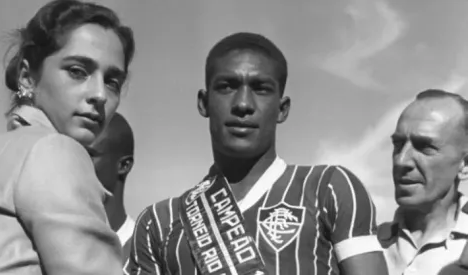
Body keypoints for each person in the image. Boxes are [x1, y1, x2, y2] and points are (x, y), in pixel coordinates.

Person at [125, 32, 387, 275]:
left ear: (282, 109)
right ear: (204, 103)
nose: (242, 104)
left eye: (261, 88)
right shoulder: (159, 223)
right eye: (227, 86)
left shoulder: (329, 189)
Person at [0, 0, 135, 274]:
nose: (99, 95)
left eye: (112, 81)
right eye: (77, 71)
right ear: (27, 77)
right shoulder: (54, 150)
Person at [377, 89, 468, 275]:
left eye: (425, 147)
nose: (401, 161)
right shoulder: (362, 247)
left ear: (465, 164)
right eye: (398, 144)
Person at [88, 112, 136, 261]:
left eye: (88, 154)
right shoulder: (52, 249)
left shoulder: (145, 254)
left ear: (123, 165)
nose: (75, 160)